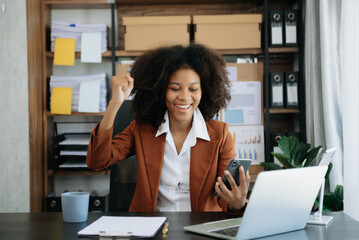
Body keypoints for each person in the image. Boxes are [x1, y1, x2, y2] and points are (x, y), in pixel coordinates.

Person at [86, 44, 250, 213]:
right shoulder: (142, 129)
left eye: (193, 89)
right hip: (150, 226)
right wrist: (115, 103)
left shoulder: (220, 134)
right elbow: (97, 160)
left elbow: (227, 196)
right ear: (160, 90)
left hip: (200, 226)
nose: (185, 97)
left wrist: (237, 204)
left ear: (204, 91)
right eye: (175, 88)